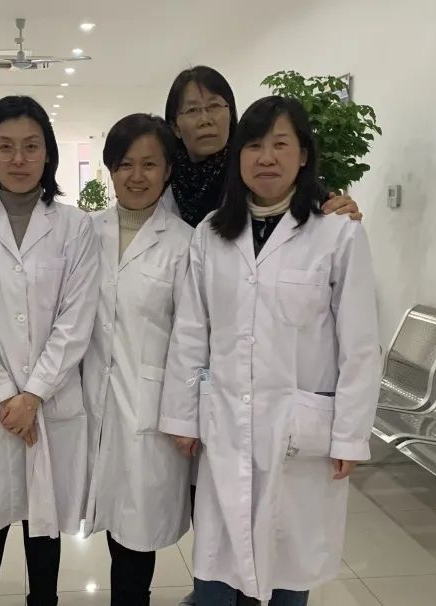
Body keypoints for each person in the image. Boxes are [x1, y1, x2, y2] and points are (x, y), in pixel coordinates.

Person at [159, 96, 381, 606]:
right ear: (238, 156)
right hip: (225, 423)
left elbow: (360, 343)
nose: (266, 157)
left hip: (298, 429)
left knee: (287, 565)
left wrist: (350, 435)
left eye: (281, 144)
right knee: (216, 568)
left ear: (303, 155)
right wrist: (182, 417)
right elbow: (191, 332)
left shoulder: (338, 234)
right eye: (254, 145)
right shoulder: (210, 234)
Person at [0, 95, 100, 606]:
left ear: (48, 153)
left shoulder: (76, 227)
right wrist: (8, 395)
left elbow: (76, 320)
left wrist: (33, 394)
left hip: (49, 401)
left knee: (44, 527)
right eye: (5, 146)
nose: (18, 158)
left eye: (31, 146)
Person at [82, 114, 193, 606]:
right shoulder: (85, 232)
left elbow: (193, 339)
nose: (137, 175)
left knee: (136, 529)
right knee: (104, 515)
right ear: (110, 169)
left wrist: (186, 415)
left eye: (150, 164)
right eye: (125, 164)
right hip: (90, 400)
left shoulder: (186, 243)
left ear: (168, 170)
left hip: (150, 406)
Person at [164, 65, 362, 227]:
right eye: (192, 110)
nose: (205, 120)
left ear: (231, 114)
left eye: (214, 106)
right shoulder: (163, 175)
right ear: (175, 126)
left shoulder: (253, 168)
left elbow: (316, 199)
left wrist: (340, 209)